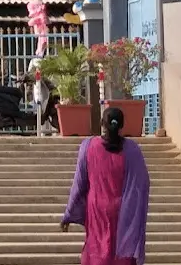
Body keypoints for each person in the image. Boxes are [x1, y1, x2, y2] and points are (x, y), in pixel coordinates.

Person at [62, 107, 150, 265]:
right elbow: (142, 185)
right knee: (120, 254)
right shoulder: (132, 150)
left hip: (96, 211)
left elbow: (79, 184)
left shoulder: (88, 146)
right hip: (123, 212)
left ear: (102, 123)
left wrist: (68, 214)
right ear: (122, 126)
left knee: (97, 251)